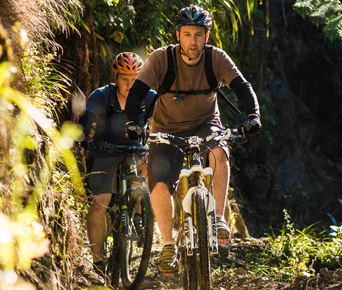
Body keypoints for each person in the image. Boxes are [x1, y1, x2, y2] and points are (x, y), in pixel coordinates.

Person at [121, 5, 262, 275]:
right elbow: (138, 91)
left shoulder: (216, 59)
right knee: (160, 184)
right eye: (187, 34)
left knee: (220, 154)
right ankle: (167, 245)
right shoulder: (162, 59)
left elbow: (242, 87)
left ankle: (218, 219)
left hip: (206, 124)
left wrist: (253, 115)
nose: (193, 42)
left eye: (198, 34)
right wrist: (132, 124)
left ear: (206, 36)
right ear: (178, 35)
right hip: (167, 129)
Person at [77, 52, 157, 273]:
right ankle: (98, 262)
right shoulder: (102, 96)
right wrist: (83, 136)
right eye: (124, 79)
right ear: (116, 78)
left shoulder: (148, 97)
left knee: (152, 163)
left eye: (135, 80)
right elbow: (87, 118)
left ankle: (142, 215)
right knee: (100, 201)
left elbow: (166, 115)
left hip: (136, 150)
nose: (129, 85)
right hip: (104, 151)